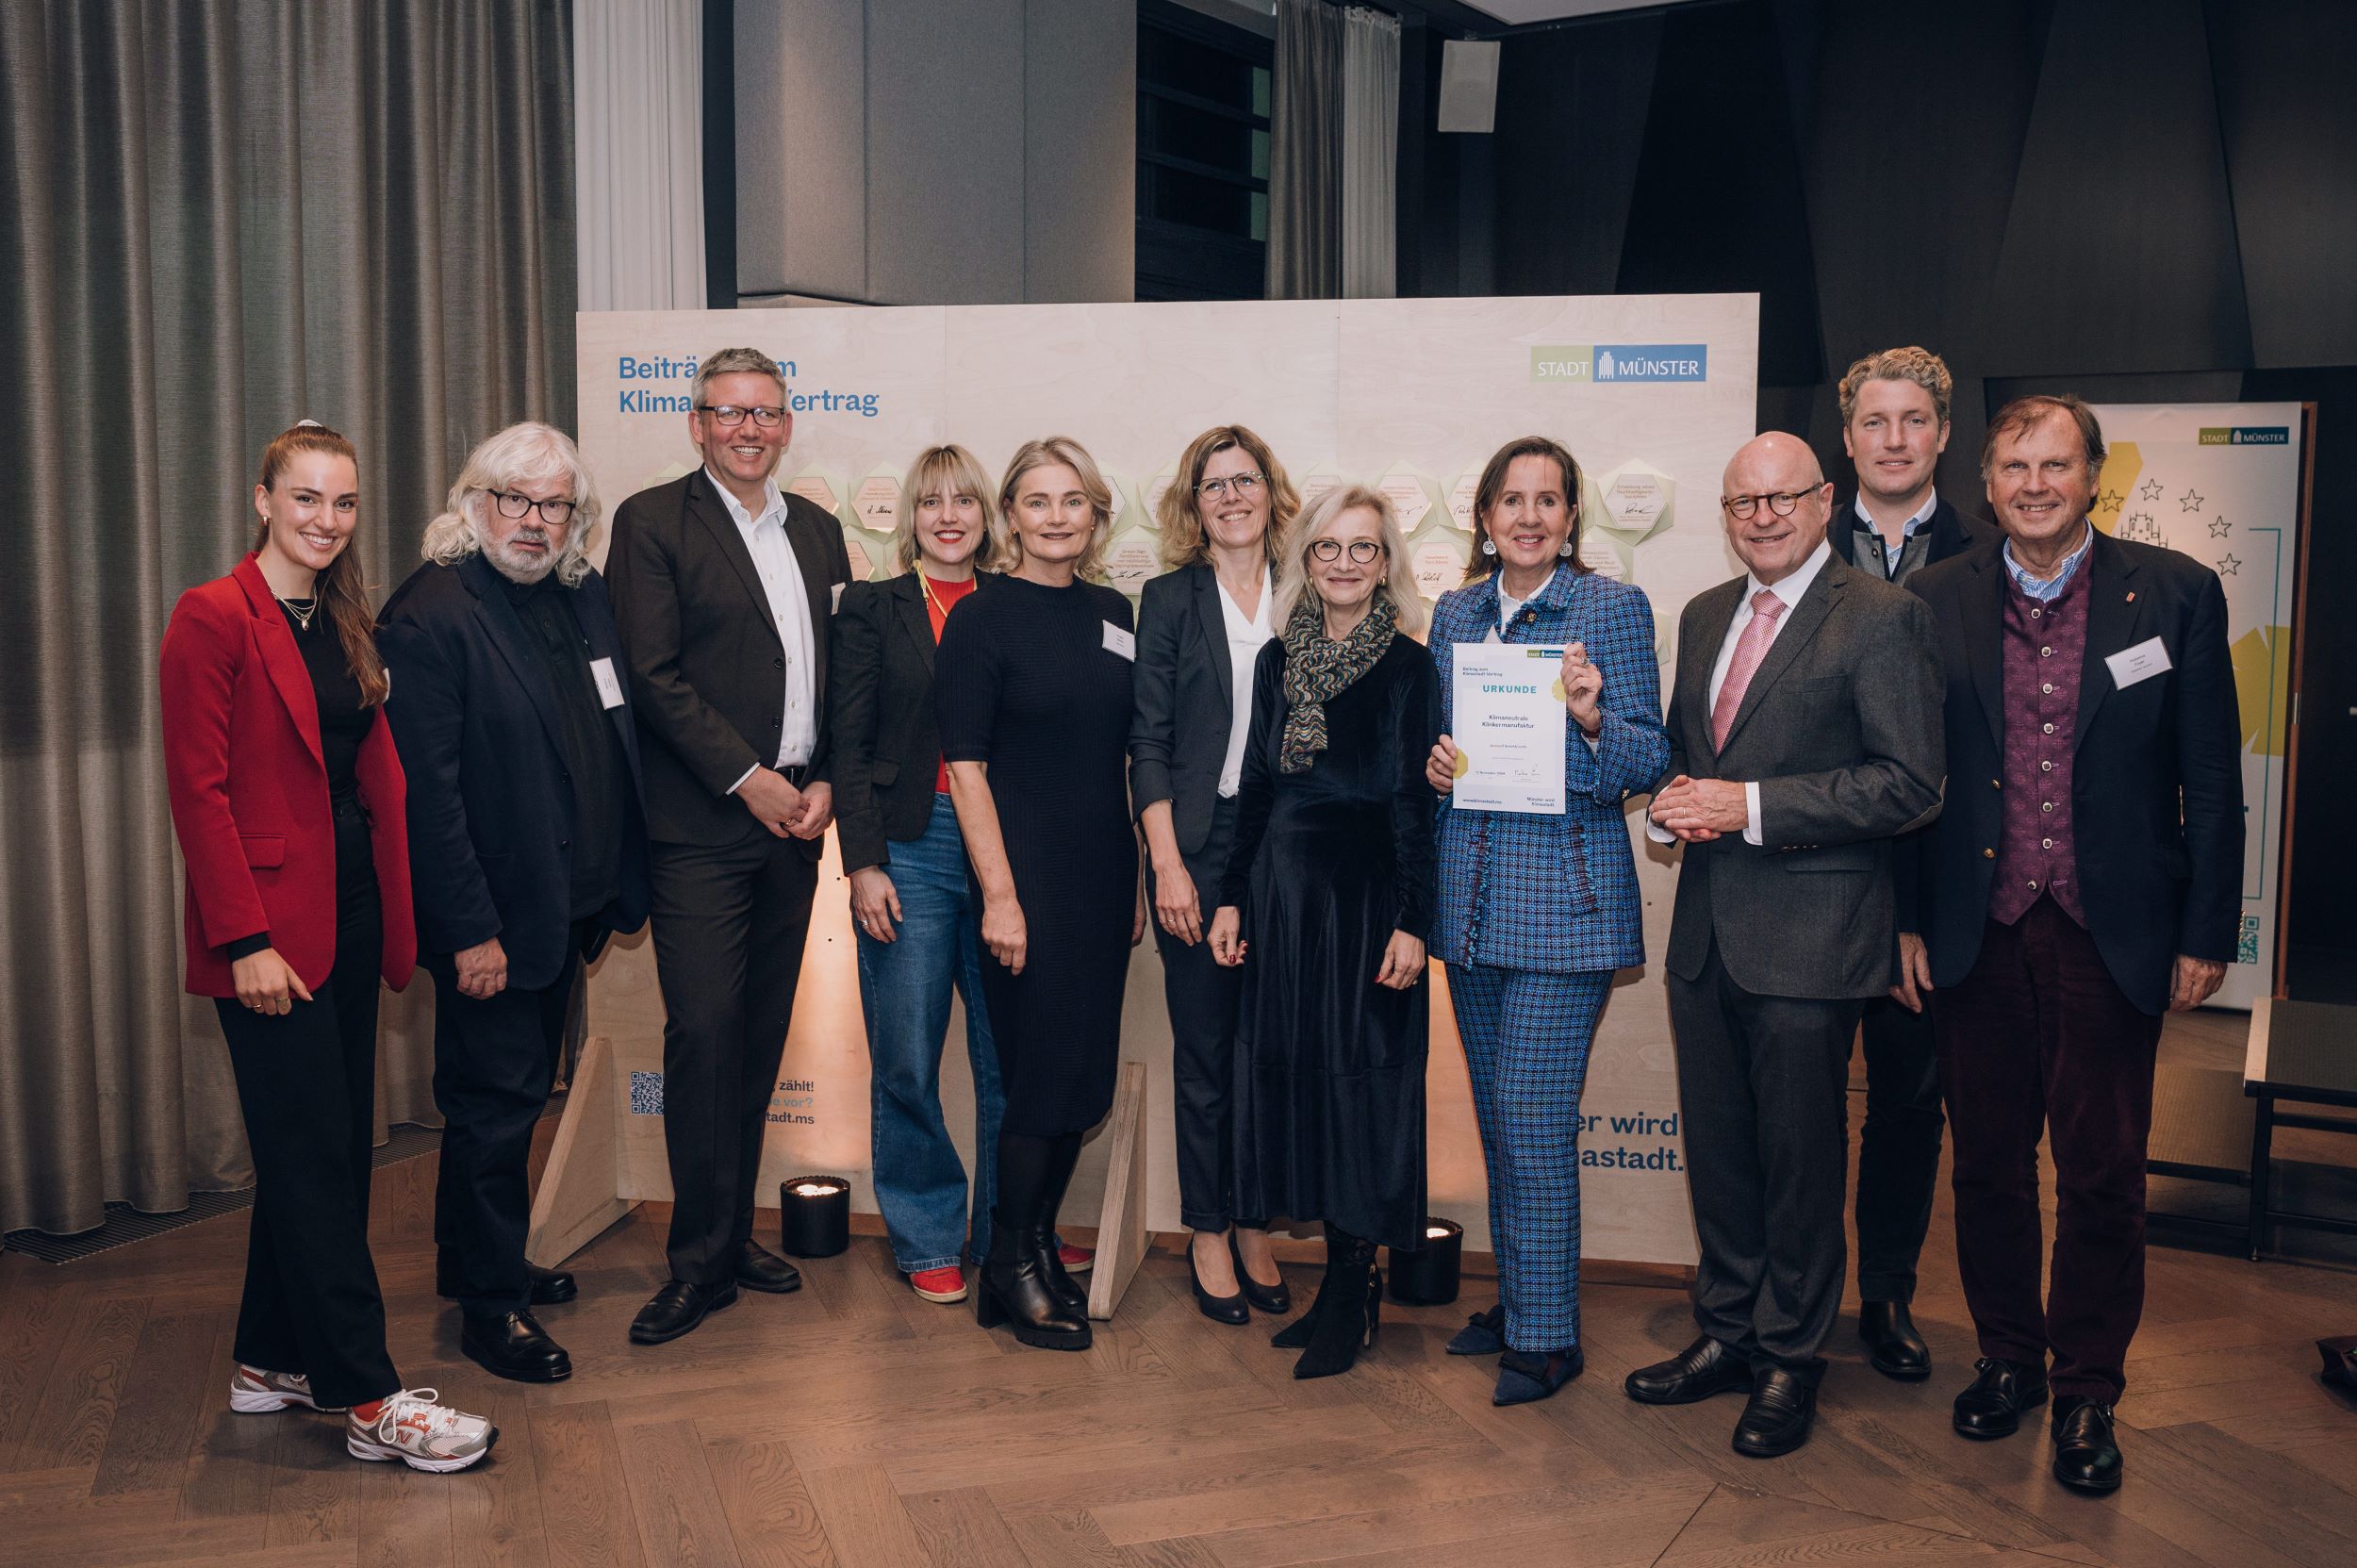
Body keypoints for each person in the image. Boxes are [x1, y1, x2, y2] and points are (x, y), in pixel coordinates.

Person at [1898, 394, 2241, 1494]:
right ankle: (2007, 1356)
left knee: (2103, 1172)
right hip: (1976, 929)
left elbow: (2213, 783)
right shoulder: (1931, 598)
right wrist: (1908, 915)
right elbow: (1911, 779)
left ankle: (2087, 1386)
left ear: (2094, 475)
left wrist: (2206, 927)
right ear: (1986, 484)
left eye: (2055, 464)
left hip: (2112, 930)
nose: (2034, 484)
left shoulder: (2174, 592)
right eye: (2014, 467)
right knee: (1989, 1164)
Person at [160, 421, 494, 1472]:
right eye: (304, 498)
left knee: (330, 1153)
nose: (325, 519)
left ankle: (271, 1358)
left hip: (349, 917)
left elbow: (368, 773)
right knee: (310, 1158)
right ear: (262, 498)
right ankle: (367, 1394)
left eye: (343, 502)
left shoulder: (341, 614)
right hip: (269, 936)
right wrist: (245, 938)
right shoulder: (210, 617)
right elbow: (198, 793)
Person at [1624, 432, 1943, 1459]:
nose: (1761, 516)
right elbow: (1691, 756)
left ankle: (1790, 1359)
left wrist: (1747, 803)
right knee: (1720, 1157)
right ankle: (1726, 1331)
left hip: (1813, 940)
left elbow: (1908, 783)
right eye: (1741, 502)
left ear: (1823, 501)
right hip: (1707, 935)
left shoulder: (1884, 615)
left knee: (1802, 1163)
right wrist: (1676, 807)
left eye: (1781, 498)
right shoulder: (1706, 613)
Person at [378, 421, 650, 1383]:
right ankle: (492, 1311)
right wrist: (469, 931)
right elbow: (425, 798)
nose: (534, 522)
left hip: (564, 904)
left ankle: (474, 1261)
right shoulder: (431, 614)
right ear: (475, 501)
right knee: (494, 1109)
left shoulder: (578, 596)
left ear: (578, 519)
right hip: (493, 917)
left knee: (517, 1100)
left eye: (555, 505)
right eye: (516, 500)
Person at [605, 347, 853, 1345]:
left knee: (755, 1044)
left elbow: (845, 673)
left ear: (787, 424)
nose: (749, 429)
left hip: (797, 827)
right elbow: (653, 677)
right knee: (703, 1037)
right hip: (705, 828)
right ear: (697, 424)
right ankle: (694, 1264)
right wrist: (750, 780)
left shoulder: (823, 533)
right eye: (729, 412)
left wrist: (825, 772)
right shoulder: (652, 522)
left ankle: (730, 1234)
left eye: (766, 413)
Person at [1420, 436, 1670, 1406]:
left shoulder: (1610, 609)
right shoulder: (1453, 613)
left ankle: (1546, 1336)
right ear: (1482, 517)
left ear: (1572, 518)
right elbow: (1443, 750)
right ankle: (1526, 1293)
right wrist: (1438, 768)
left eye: (1548, 500)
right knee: (1500, 1119)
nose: (1528, 516)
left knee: (1528, 1120)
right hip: (1472, 906)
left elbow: (1646, 759)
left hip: (1565, 907)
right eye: (1510, 500)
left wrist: (1596, 717)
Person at [1207, 487, 1440, 1380]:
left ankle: (1355, 1287)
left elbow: (1418, 804)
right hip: (1282, 897)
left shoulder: (1413, 668)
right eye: (1328, 549)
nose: (1345, 564)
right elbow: (1257, 787)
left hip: (1368, 901)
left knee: (1365, 1089)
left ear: (1387, 566)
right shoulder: (1275, 661)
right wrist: (1232, 897)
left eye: (1364, 550)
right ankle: (1337, 1286)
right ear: (1305, 561)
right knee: (1300, 1082)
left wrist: (1416, 922)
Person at [937, 436, 1143, 1352]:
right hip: (1028, 883)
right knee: (1038, 1082)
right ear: (1009, 516)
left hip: (1101, 875)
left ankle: (1027, 1254)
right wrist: (1000, 897)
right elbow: (967, 767)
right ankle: (1009, 1265)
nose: (1057, 516)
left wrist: (1139, 870)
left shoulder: (1115, 611)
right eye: (1037, 501)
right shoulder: (983, 618)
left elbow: (1126, 757)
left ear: (1095, 513)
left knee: (1082, 1079)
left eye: (1074, 500)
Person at [1826, 346, 1996, 1380]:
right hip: (1803, 879)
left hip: (1928, 889)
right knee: (1794, 1105)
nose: (1894, 440)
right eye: (1874, 423)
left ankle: (1886, 1293)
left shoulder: (1986, 557)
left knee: (1905, 1105)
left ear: (1942, 435)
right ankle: (1786, 1288)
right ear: (1845, 440)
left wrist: (1920, 912)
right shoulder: (1792, 539)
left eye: (1913, 421)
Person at [829, 444, 1005, 1305]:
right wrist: (862, 861)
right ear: (909, 515)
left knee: (1012, 1053)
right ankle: (929, 1232)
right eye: (931, 501)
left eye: (963, 501)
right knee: (905, 1052)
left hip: (1009, 848)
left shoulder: (1015, 603)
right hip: (911, 843)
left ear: (986, 514)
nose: (948, 516)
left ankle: (1013, 1233)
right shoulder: (873, 608)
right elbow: (849, 745)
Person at [1130, 424, 1296, 1324]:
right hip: (1192, 843)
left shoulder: (1312, 588)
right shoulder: (1167, 598)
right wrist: (1165, 865)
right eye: (1212, 485)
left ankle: (1256, 1219)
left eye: (1245, 480)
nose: (1231, 497)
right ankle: (1205, 1225)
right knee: (1203, 1049)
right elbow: (1146, 741)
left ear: (1272, 492)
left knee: (1267, 1048)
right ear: (1193, 507)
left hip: (1286, 847)